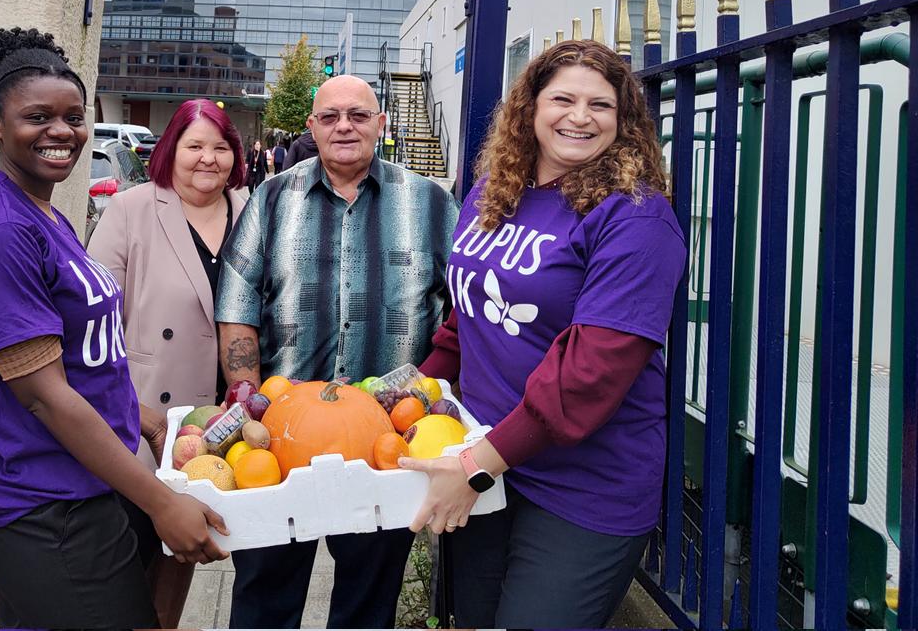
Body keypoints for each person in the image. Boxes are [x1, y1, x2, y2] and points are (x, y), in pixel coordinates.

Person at [0, 27, 228, 631]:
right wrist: (161, 504)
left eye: (74, 117)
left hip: (85, 486)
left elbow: (89, 359)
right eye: (36, 116)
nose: (61, 132)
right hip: (41, 507)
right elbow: (47, 397)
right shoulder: (0, 235)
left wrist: (145, 419)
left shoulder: (44, 212)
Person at [400, 40, 685, 630]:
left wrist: (478, 465)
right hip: (486, 456)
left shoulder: (635, 215)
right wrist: (409, 395)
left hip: (582, 485)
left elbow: (592, 373)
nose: (580, 117)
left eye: (600, 105)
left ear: (623, 120)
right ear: (529, 108)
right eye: (563, 99)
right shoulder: (492, 194)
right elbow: (466, 317)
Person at [216, 75, 459, 630]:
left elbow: (461, 309)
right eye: (329, 117)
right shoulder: (272, 199)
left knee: (368, 601)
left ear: (381, 122)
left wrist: (429, 397)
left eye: (357, 114)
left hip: (387, 443)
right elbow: (238, 298)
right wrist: (248, 403)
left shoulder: (429, 202)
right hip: (281, 439)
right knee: (264, 594)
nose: (343, 126)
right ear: (311, 128)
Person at [87, 98, 247, 627]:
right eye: (194, 145)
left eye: (220, 147)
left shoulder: (253, 210)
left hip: (221, 424)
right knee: (124, 563)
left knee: (180, 559)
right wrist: (135, 413)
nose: (209, 159)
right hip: (142, 420)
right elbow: (91, 322)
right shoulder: (132, 209)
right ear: (170, 149)